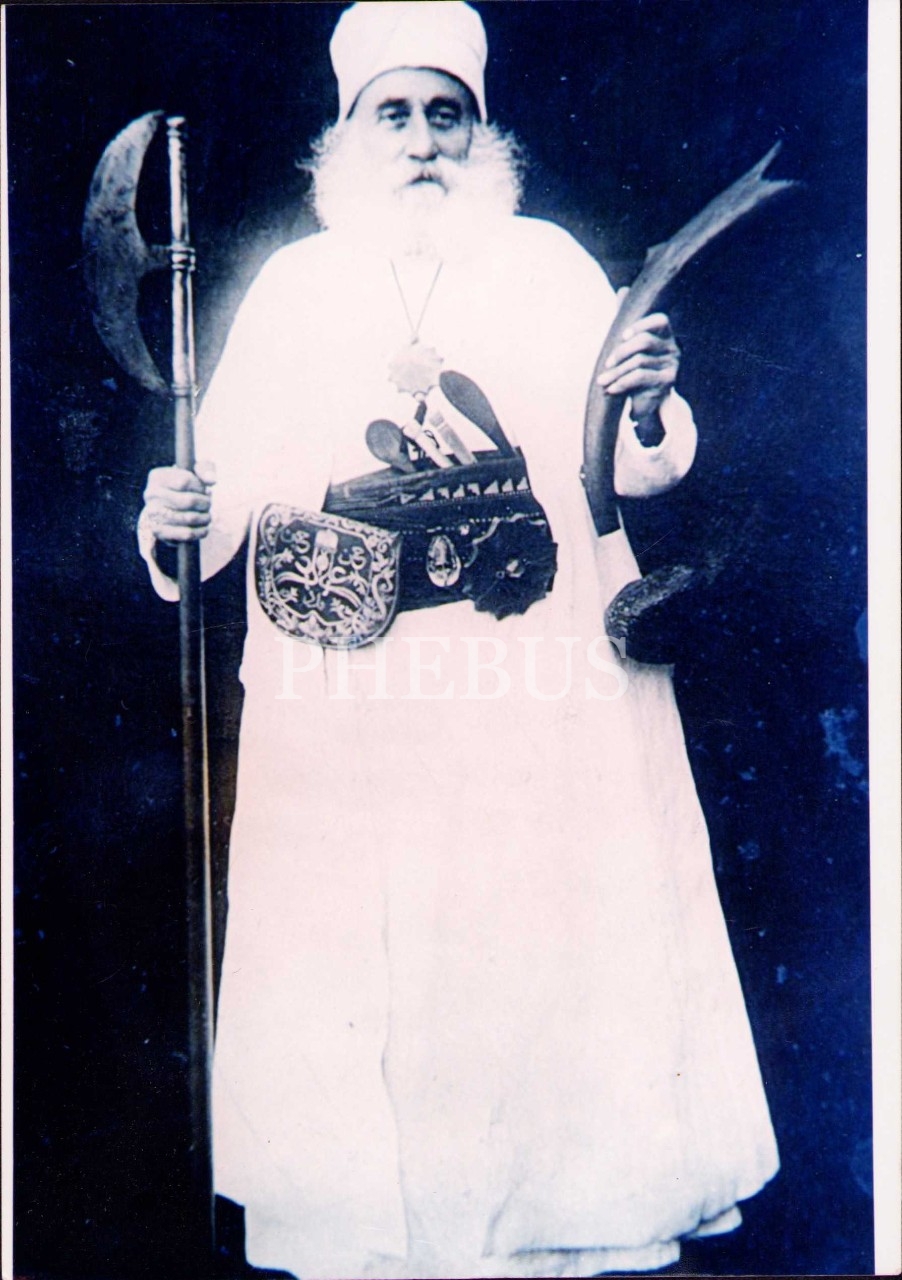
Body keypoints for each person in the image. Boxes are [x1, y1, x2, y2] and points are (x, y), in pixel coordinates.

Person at [138, 4, 779, 1276]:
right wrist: (171, 521)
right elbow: (221, 492)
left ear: (484, 135)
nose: (423, 139)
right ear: (347, 132)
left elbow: (629, 469)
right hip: (353, 687)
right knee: (371, 967)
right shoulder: (293, 288)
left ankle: (565, 1224)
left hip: (532, 681)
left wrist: (650, 402)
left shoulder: (547, 266)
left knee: (534, 944)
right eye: (394, 112)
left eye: (448, 113)